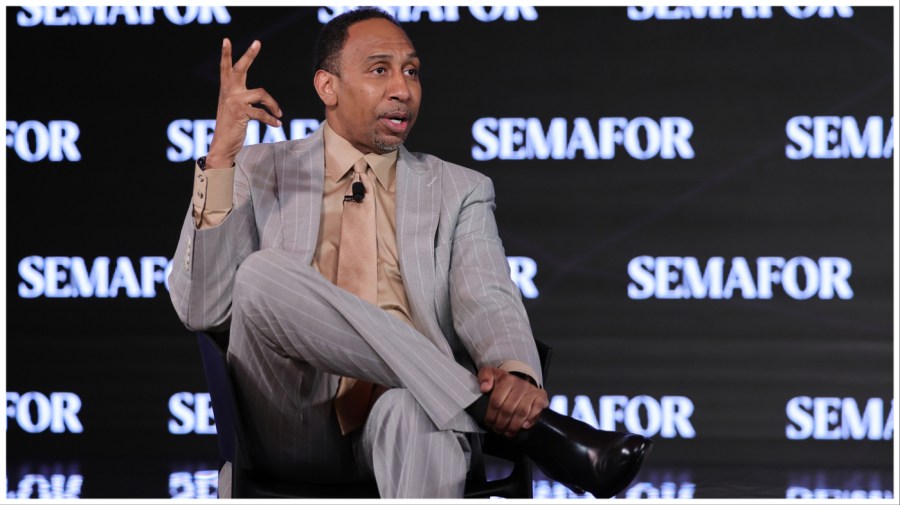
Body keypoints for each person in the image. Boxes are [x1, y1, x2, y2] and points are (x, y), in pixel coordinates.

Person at [169, 7, 651, 499]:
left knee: (419, 418)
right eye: (380, 70)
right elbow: (202, 307)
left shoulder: (459, 190)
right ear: (327, 87)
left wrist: (515, 379)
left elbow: (488, 298)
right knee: (261, 276)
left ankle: (484, 408)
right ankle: (505, 418)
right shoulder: (256, 169)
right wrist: (221, 159)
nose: (403, 89)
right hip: (289, 420)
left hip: (408, 409)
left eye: (412, 71)